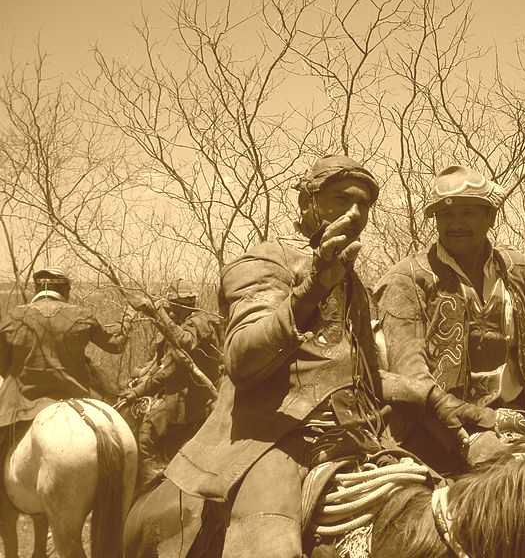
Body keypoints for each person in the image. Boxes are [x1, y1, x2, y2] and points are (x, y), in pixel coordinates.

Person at [163, 155, 389, 558]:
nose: (356, 213)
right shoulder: (265, 263)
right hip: (275, 440)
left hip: (359, 437)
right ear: (307, 204)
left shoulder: (355, 284)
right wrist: (310, 290)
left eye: (364, 206)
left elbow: (371, 377)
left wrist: (455, 411)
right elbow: (241, 359)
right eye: (341, 199)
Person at [374, 164, 525, 472]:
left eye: (468, 213)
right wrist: (479, 429)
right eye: (446, 215)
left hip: (523, 420)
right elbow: (413, 379)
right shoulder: (407, 280)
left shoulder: (517, 269)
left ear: (490, 217)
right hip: (437, 429)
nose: (456, 224)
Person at [0, 267, 131, 485]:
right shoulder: (81, 316)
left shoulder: (13, 318)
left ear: (36, 288)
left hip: (23, 405)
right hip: (75, 401)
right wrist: (127, 322)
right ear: (65, 290)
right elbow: (115, 346)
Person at [123, 281, 223, 488]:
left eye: (172, 306)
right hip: (181, 392)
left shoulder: (200, 322)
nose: (170, 311)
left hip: (195, 397)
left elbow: (171, 367)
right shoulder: (179, 326)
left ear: (183, 304)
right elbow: (159, 363)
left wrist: (137, 391)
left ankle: (152, 482)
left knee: (147, 434)